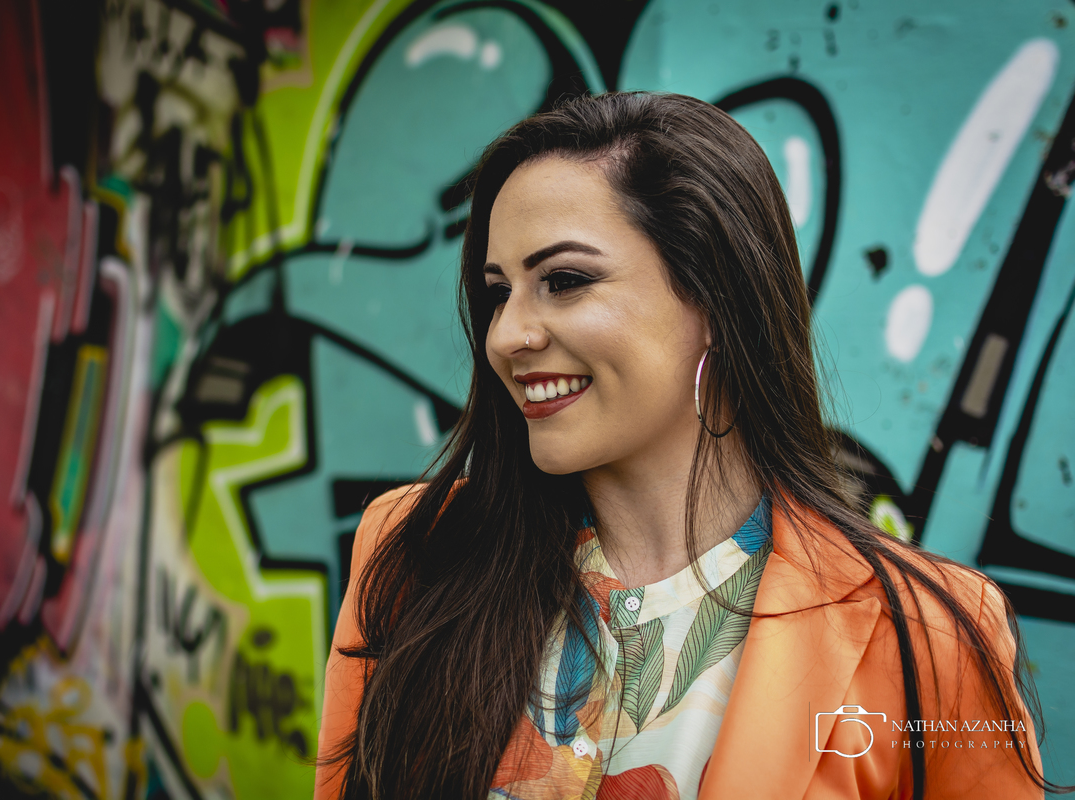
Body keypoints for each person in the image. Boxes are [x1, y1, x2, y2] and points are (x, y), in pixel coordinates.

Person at [313, 92, 1060, 800]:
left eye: (564, 280)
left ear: (714, 298)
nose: (507, 335)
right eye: (498, 290)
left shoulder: (926, 633)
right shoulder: (414, 555)